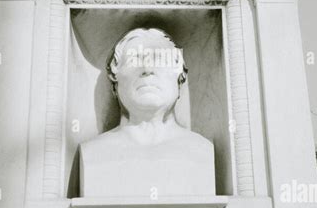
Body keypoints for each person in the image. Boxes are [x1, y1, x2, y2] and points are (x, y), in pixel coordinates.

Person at [79, 27, 216, 196]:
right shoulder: (94, 153)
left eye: (160, 60)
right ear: (115, 82)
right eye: (134, 60)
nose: (148, 69)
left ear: (180, 79)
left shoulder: (201, 151)